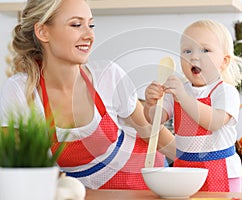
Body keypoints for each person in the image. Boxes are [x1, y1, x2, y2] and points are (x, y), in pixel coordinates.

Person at [0, 0, 175, 190]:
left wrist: (197, 165)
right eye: (76, 25)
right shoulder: (21, 91)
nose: (89, 35)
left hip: (149, 183)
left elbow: (151, 132)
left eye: (90, 25)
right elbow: (15, 166)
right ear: (43, 32)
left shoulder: (108, 75)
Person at [144, 19, 242, 192]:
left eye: (205, 50)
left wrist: (183, 97)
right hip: (183, 170)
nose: (194, 56)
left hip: (221, 172)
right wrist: (151, 103)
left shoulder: (225, 92)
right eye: (187, 50)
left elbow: (213, 122)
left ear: (224, 61)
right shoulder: (178, 90)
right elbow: (156, 120)